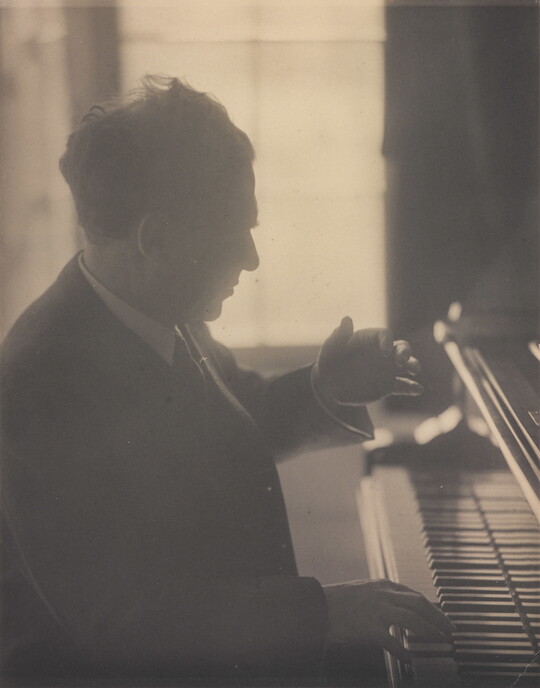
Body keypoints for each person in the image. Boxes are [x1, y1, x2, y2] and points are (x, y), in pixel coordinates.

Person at [0, 76, 452, 687]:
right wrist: (325, 611)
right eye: (232, 229)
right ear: (156, 239)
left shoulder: (159, 307)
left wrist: (327, 386)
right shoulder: (42, 377)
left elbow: (235, 415)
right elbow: (119, 619)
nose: (251, 258)